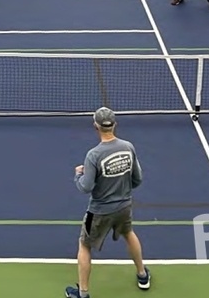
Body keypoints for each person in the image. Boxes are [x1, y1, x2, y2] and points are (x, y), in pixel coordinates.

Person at [66, 107, 151, 298]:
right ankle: (142, 275)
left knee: (84, 245)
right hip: (124, 206)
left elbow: (85, 187)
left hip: (99, 211)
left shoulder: (93, 155)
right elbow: (137, 179)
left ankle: (83, 293)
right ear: (115, 124)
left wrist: (77, 175)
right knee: (128, 233)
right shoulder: (128, 147)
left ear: (95, 126)